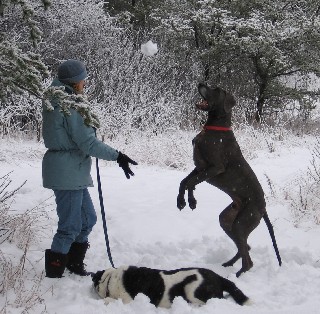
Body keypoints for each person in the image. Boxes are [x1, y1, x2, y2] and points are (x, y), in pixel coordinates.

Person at [42, 59, 137, 278]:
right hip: (67, 172)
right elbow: (88, 143)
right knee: (70, 226)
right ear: (74, 82)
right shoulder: (69, 106)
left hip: (72, 170)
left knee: (87, 219)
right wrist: (118, 156)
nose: (85, 82)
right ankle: (54, 274)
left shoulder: (60, 100)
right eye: (82, 78)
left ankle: (73, 263)